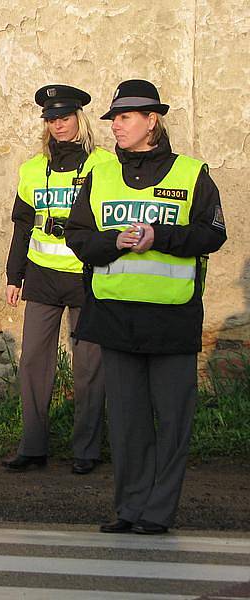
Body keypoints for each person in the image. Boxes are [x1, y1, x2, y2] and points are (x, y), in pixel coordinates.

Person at [65, 79, 227, 534]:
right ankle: (130, 509)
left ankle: (158, 513)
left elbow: (213, 234)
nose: (115, 126)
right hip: (115, 320)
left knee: (173, 423)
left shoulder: (193, 174)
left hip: (172, 320)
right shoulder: (99, 176)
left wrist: (162, 238)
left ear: (151, 121)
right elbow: (77, 238)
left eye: (125, 117)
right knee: (128, 424)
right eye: (114, 118)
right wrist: (113, 242)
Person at [3, 85, 113, 475]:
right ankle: (33, 446)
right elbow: (22, 224)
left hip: (87, 277)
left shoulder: (104, 165)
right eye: (51, 120)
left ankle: (86, 449)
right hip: (43, 276)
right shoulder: (32, 169)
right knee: (34, 360)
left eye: (64, 118)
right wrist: (14, 275)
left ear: (78, 119)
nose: (58, 126)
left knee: (89, 366)